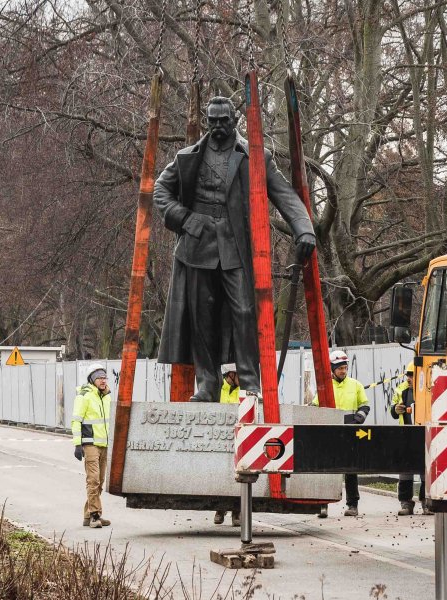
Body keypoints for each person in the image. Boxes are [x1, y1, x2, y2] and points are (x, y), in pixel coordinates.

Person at [153, 96, 316, 403]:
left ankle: (250, 383)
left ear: (234, 121)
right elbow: (160, 189)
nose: (217, 126)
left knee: (244, 311)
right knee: (202, 319)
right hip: (197, 246)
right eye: (212, 121)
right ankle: (207, 385)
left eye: (223, 121)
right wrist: (184, 219)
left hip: (234, 246)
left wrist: (304, 229)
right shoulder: (189, 156)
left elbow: (285, 195)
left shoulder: (255, 156)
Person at [312, 350, 370, 517]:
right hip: (330, 432)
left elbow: (365, 406)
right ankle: (323, 505)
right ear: (332, 369)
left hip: (350, 432)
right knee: (327, 470)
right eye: (340, 369)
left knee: (350, 470)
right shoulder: (325, 386)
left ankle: (353, 505)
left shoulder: (356, 385)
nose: (343, 371)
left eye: (345, 368)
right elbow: (317, 406)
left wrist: (358, 420)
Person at [72, 363, 112, 529]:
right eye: (99, 378)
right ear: (92, 380)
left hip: (104, 444)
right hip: (89, 444)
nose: (103, 381)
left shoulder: (107, 396)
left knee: (100, 481)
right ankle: (95, 515)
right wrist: (77, 444)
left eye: (104, 377)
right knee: (93, 480)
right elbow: (76, 420)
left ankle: (88, 514)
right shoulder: (84, 396)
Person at [391, 363, 432, 516]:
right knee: (405, 472)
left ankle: (426, 503)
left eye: (412, 375)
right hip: (406, 435)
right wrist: (395, 409)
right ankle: (406, 503)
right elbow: (393, 411)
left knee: (424, 472)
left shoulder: (427, 389)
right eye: (408, 375)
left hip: (423, 434)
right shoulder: (401, 390)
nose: (409, 378)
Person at [214, 363, 241, 526]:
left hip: (238, 439)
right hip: (219, 439)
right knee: (219, 475)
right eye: (239, 374)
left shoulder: (243, 391)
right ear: (230, 374)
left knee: (237, 476)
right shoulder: (217, 389)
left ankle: (236, 512)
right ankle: (219, 509)